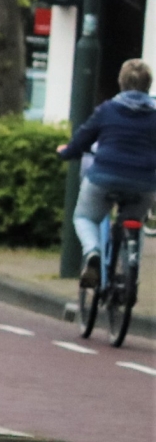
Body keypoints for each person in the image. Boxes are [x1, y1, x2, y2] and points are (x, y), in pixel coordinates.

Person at [59, 57, 156, 286]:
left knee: (84, 217)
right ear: (148, 85)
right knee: (135, 221)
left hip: (104, 176)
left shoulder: (107, 110)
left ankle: (92, 252)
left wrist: (67, 152)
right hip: (144, 182)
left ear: (120, 83)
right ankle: (130, 274)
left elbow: (82, 139)